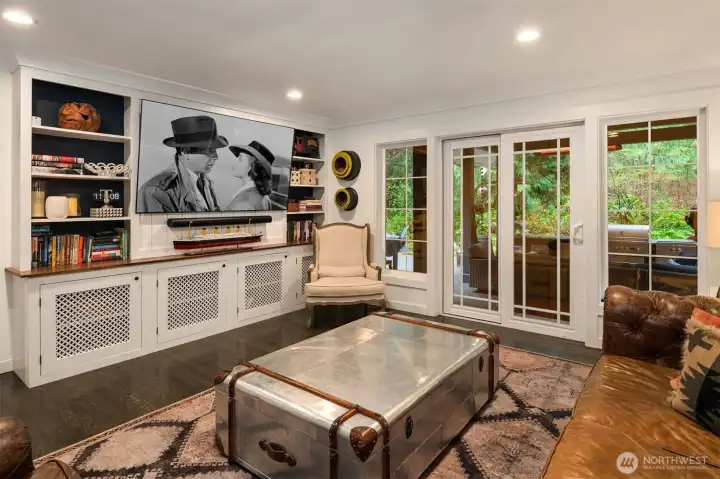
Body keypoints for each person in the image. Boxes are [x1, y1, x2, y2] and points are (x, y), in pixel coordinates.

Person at [139, 115, 228, 213]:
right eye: (209, 151)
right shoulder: (157, 191)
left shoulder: (205, 182)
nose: (216, 157)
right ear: (185, 151)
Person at [226, 141, 274, 211]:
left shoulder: (243, 203)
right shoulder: (265, 197)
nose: (234, 163)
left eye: (240, 159)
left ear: (252, 166)